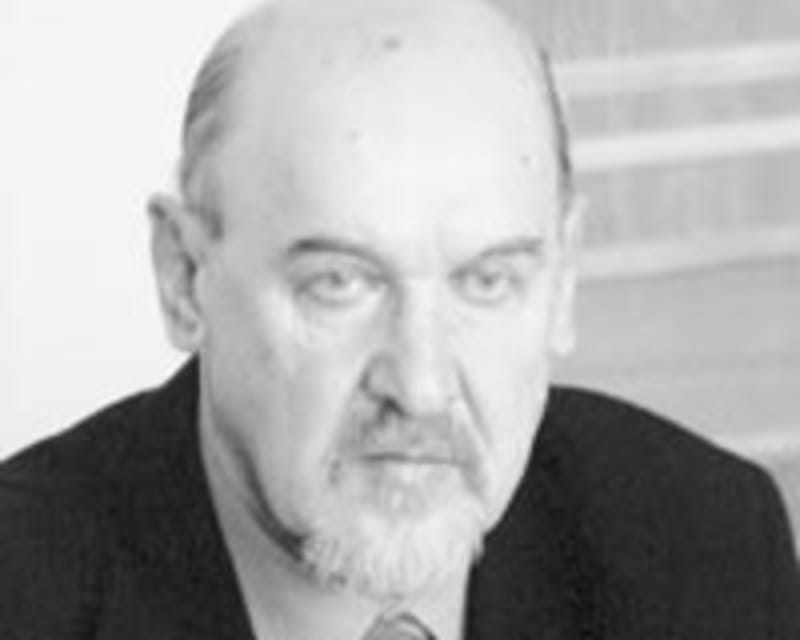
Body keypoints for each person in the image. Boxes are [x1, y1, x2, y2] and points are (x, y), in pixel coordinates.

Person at [1, 0, 798, 637]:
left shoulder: (707, 548)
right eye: (339, 283)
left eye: (487, 282)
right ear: (183, 277)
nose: (419, 388)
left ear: (561, 284)